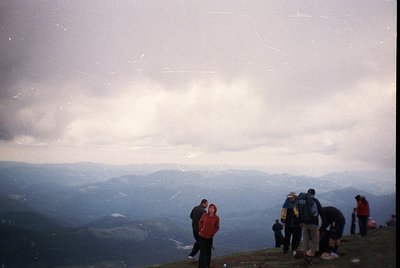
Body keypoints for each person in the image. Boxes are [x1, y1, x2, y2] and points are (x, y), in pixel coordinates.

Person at [295, 188, 323, 265]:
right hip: (313, 223)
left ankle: (305, 257)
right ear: (314, 194)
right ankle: (311, 258)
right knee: (314, 240)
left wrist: (300, 220)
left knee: (305, 240)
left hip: (304, 223)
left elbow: (296, 209)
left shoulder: (301, 200)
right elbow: (321, 211)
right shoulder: (315, 201)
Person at [198, 203, 220, 268]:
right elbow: (200, 222)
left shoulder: (216, 218)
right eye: (210, 208)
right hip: (202, 236)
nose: (211, 209)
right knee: (202, 251)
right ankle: (201, 266)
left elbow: (217, 227)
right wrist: (201, 228)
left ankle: (207, 265)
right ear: (208, 209)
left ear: (215, 209)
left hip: (210, 237)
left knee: (208, 252)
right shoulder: (204, 215)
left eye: (212, 208)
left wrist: (213, 233)